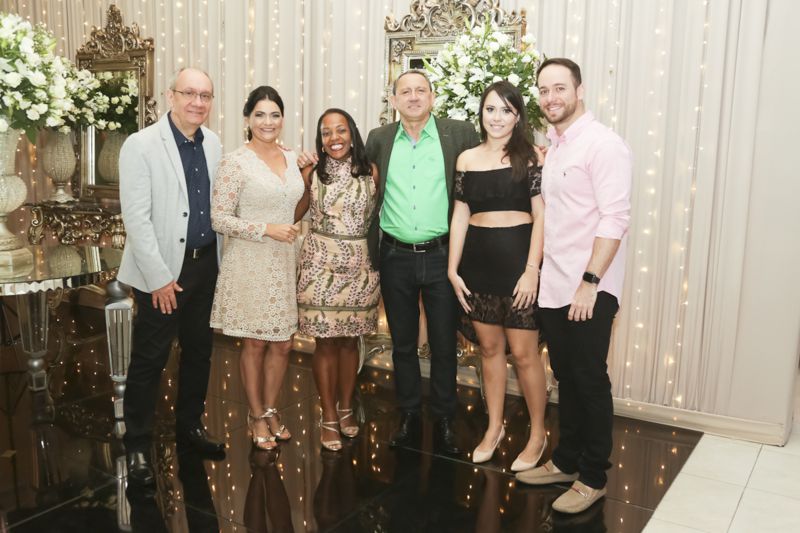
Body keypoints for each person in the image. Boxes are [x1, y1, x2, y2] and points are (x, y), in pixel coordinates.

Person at [515, 58, 632, 515]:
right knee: (566, 377)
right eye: (544, 90)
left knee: (589, 380)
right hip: (555, 285)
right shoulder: (557, 148)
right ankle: (566, 460)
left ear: (579, 90)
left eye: (560, 88)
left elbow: (615, 218)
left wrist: (590, 281)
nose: (551, 98)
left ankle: (593, 477)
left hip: (589, 287)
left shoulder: (604, 145)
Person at [118, 67, 224, 485]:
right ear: (171, 96)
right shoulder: (141, 145)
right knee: (150, 359)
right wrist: (160, 278)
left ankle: (190, 427)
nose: (198, 102)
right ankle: (137, 447)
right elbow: (136, 219)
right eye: (189, 93)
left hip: (205, 266)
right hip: (162, 272)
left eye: (205, 95)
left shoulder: (213, 143)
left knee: (199, 352)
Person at [365, 69, 479, 454]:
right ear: (393, 100)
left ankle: (445, 418)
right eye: (405, 91)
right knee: (402, 343)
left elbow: (486, 170)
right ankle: (409, 413)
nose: (413, 97)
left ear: (432, 97)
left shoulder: (459, 135)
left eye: (420, 90)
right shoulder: (379, 139)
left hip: (443, 256)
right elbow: (357, 179)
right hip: (394, 255)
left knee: (445, 344)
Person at [448, 81, 548, 470]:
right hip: (477, 265)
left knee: (523, 354)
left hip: (519, 264)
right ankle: (494, 428)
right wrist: (452, 268)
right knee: (489, 351)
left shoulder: (530, 156)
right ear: (481, 113)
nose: (497, 118)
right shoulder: (466, 159)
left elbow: (541, 215)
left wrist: (532, 270)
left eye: (506, 110)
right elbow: (460, 214)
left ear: (517, 116)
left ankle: (537, 434)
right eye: (490, 109)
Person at [210, 85, 305, 450]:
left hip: (283, 260)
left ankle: (271, 408)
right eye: (260, 115)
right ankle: (255, 415)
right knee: (254, 341)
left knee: (283, 343)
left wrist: (307, 167)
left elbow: (298, 198)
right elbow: (219, 218)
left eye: (275, 115)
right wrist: (265, 228)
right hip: (249, 261)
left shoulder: (291, 157)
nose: (268, 122)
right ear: (248, 119)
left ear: (283, 119)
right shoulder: (235, 162)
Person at [295, 109, 380, 451]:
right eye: (326, 132)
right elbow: (295, 212)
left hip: (360, 266)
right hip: (320, 264)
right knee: (326, 343)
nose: (334, 138)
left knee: (349, 342)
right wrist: (294, 177)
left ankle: (346, 408)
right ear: (320, 139)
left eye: (341, 130)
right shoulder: (311, 172)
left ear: (352, 133)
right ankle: (328, 414)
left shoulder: (371, 171)